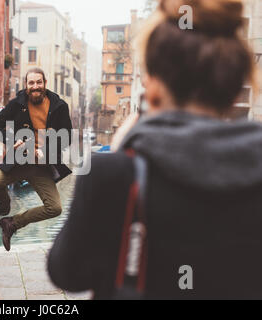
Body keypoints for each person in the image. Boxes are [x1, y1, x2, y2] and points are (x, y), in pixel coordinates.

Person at [48, 0, 262, 299]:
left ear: (154, 89)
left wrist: (121, 151)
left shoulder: (111, 173)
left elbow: (67, 273)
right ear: (233, 86)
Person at [0, 68, 73, 251]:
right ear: (26, 85)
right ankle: (3, 207)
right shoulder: (17, 104)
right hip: (19, 161)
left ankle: (12, 223)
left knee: (55, 208)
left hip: (42, 166)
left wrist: (46, 150)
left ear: (45, 84)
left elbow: (67, 137)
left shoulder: (59, 106)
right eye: (31, 83)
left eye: (39, 82)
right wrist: (12, 140)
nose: (35, 86)